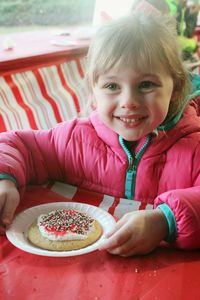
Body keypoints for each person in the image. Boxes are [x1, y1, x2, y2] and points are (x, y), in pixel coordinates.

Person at [1, 12, 200, 257]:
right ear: (94, 91)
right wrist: (4, 179)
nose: (129, 102)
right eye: (112, 86)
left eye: (146, 84)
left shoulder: (194, 149)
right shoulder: (75, 139)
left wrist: (165, 222)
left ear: (176, 88)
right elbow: (18, 144)